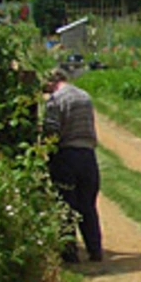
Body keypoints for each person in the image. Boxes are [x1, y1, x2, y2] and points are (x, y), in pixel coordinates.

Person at [42, 67, 104, 263]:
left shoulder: (56, 100)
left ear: (52, 82)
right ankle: (95, 250)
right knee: (88, 205)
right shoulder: (85, 97)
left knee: (66, 205)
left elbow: (52, 131)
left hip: (66, 154)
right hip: (88, 155)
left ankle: (70, 253)